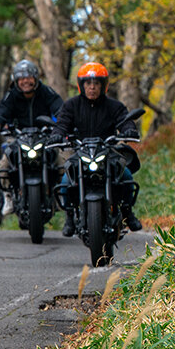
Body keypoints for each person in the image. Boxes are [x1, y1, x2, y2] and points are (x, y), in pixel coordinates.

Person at [53, 62, 142, 235]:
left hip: (107, 151)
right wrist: (57, 134)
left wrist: (128, 130)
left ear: (103, 85)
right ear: (81, 85)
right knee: (66, 180)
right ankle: (70, 217)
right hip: (80, 152)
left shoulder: (114, 106)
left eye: (96, 84)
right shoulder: (71, 105)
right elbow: (61, 124)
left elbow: (124, 120)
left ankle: (127, 212)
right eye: (88, 83)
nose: (92, 87)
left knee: (126, 175)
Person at [0, 59, 62, 215]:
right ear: (16, 81)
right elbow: (1, 111)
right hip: (18, 137)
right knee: (4, 164)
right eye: (21, 78)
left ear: (35, 78)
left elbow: (59, 108)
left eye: (29, 77)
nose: (25, 81)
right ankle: (8, 197)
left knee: (61, 161)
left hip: (44, 137)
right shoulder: (11, 95)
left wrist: (61, 124)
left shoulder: (46, 92)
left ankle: (59, 196)